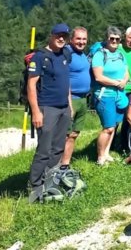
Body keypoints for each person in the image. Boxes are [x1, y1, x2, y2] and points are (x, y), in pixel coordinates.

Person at [26, 23, 73, 203]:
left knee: (58, 148)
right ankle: (36, 187)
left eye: (64, 36)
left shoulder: (65, 55)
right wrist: (36, 112)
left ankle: (50, 181)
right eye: (58, 35)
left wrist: (69, 105)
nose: (61, 39)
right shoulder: (39, 57)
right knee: (44, 149)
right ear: (51, 36)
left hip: (63, 108)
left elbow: (65, 81)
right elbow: (31, 85)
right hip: (47, 108)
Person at [91, 26, 129, 166]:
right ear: (106, 39)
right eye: (111, 39)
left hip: (119, 95)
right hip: (104, 95)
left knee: (114, 125)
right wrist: (115, 83)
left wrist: (124, 81)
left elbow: (126, 71)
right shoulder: (100, 55)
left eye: (117, 39)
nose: (114, 41)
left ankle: (106, 153)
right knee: (108, 127)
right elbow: (98, 77)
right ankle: (100, 157)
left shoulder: (120, 54)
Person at [60, 26, 90, 170]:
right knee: (64, 135)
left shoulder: (83, 55)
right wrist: (69, 103)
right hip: (71, 99)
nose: (81, 42)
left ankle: (65, 164)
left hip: (83, 99)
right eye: (78, 38)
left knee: (74, 134)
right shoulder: (66, 53)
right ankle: (56, 166)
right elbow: (63, 78)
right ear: (71, 39)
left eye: (84, 39)